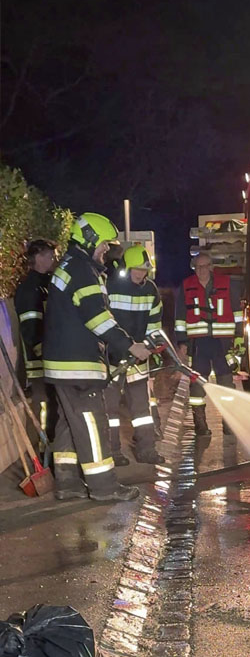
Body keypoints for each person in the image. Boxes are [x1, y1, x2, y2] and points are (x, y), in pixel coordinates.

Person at [43, 212, 151, 501]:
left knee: (69, 423)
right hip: (78, 365)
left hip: (62, 364)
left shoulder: (70, 265)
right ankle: (104, 487)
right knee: (93, 423)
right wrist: (130, 346)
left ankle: (67, 484)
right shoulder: (82, 271)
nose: (106, 252)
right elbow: (97, 317)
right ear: (90, 240)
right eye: (103, 245)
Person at [105, 244, 164, 466]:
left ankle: (146, 449)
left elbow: (154, 325)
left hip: (139, 357)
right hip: (112, 357)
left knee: (142, 408)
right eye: (136, 269)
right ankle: (112, 452)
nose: (141, 274)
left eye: (144, 270)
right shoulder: (110, 286)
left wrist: (149, 348)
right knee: (109, 408)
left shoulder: (151, 291)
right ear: (126, 267)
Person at [174, 251, 243, 436]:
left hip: (223, 344)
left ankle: (229, 424)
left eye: (204, 266)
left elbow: (237, 312)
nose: (201, 270)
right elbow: (180, 317)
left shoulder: (227, 284)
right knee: (197, 385)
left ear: (211, 267)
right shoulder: (186, 285)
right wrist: (182, 343)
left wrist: (238, 336)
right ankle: (200, 425)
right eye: (197, 267)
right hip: (199, 344)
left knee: (226, 383)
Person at [14, 239, 59, 441]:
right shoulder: (29, 288)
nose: (54, 259)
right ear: (38, 257)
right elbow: (30, 327)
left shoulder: (47, 285)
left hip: (52, 357)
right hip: (38, 361)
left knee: (52, 407)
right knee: (42, 406)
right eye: (50, 255)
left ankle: (50, 449)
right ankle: (42, 454)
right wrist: (42, 351)